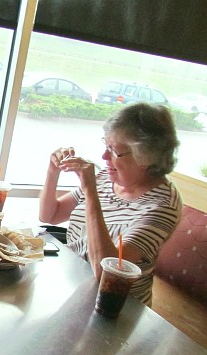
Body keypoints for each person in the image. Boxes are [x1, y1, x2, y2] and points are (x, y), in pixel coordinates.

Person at [39, 102, 182, 306]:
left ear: (147, 157)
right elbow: (50, 215)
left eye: (115, 151)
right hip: (73, 285)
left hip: (115, 307)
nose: (104, 157)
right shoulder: (107, 177)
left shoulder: (162, 206)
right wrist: (53, 172)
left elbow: (106, 272)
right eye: (106, 146)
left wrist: (89, 191)